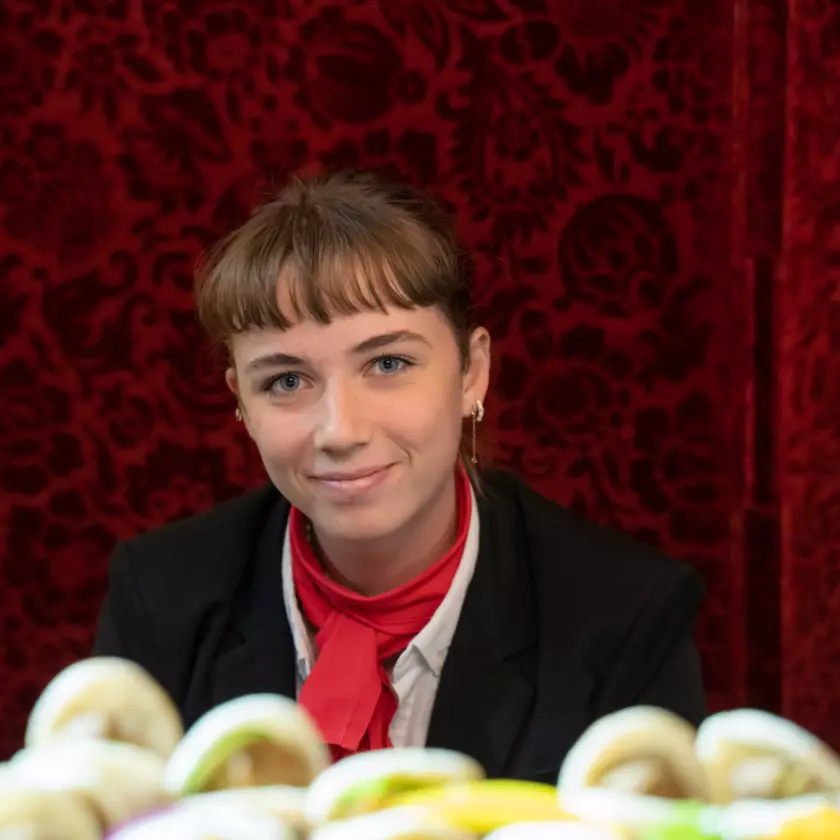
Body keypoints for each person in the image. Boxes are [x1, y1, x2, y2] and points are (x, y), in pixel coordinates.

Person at [92, 170, 706, 782]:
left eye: (388, 363)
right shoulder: (159, 599)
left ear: (472, 373)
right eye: (286, 381)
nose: (341, 430)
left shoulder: (626, 615)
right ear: (241, 403)